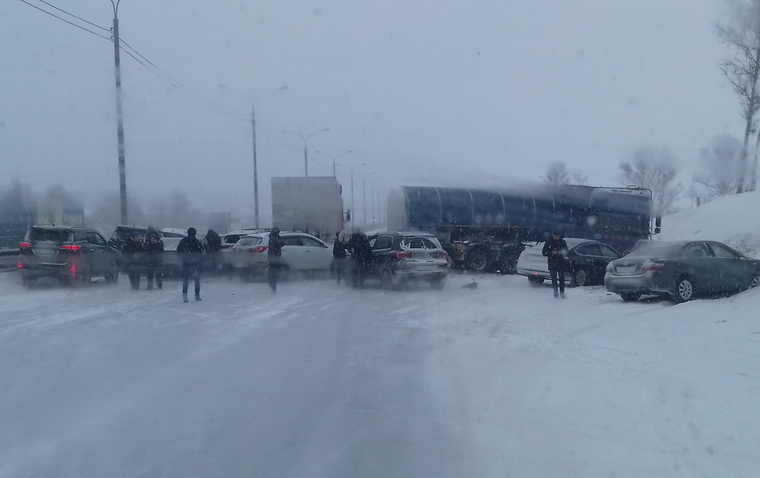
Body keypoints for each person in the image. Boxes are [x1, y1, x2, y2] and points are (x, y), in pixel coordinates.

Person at [177, 227, 204, 302]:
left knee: (188, 279)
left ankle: (187, 295)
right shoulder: (196, 242)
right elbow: (200, 253)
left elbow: (178, 251)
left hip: (189, 263)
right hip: (192, 263)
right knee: (194, 279)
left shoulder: (184, 241)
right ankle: (195, 295)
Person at [542, 230, 569, 298]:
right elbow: (544, 252)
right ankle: (555, 292)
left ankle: (562, 292)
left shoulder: (562, 242)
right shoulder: (549, 242)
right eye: (555, 236)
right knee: (554, 279)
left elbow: (566, 251)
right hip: (552, 262)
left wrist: (561, 252)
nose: (556, 237)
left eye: (558, 236)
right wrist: (551, 253)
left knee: (561, 279)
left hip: (561, 263)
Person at [267, 227, 285, 292]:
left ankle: (272, 283)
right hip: (274, 256)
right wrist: (282, 243)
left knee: (274, 269)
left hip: (274, 255)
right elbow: (276, 245)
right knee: (275, 270)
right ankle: (272, 284)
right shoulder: (274, 237)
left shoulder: (273, 237)